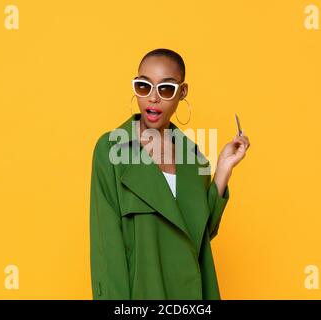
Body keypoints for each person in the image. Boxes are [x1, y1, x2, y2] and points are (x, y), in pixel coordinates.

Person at [90, 48, 250, 299]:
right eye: (144, 87)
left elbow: (199, 236)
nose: (153, 98)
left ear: (182, 92)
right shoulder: (111, 149)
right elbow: (106, 247)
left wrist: (223, 170)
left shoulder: (194, 157)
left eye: (165, 89)